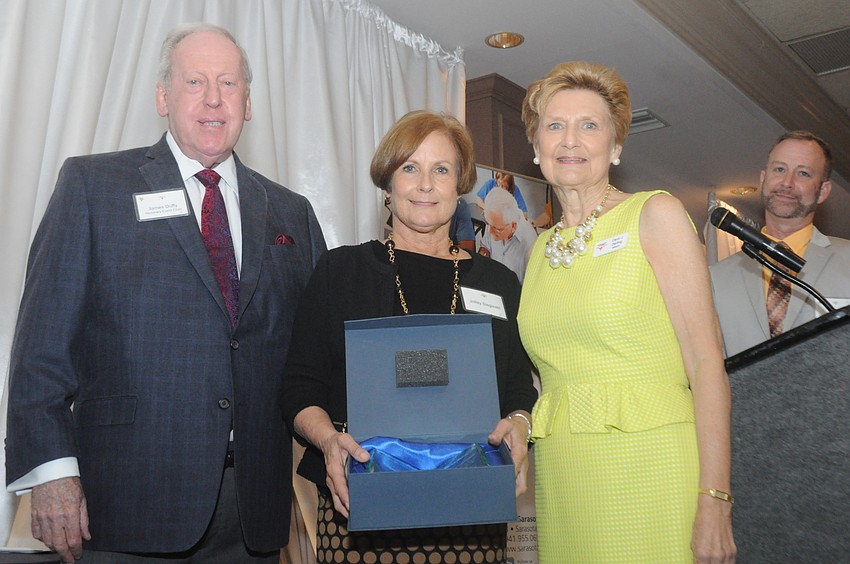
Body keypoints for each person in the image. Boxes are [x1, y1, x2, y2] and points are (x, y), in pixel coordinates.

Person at [5, 23, 325, 563]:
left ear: (247, 103)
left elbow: (315, 352)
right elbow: (41, 345)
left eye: (229, 83)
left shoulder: (292, 212)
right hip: (124, 506)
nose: (213, 99)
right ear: (163, 96)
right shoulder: (93, 186)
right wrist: (53, 472)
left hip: (253, 514)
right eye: (194, 81)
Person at [282, 110, 537, 564]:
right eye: (410, 168)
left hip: (472, 510)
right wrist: (326, 440)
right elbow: (299, 387)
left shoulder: (497, 282)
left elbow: (519, 385)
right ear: (387, 185)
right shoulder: (341, 273)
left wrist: (519, 424)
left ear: (460, 186)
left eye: (441, 170)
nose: (425, 184)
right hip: (361, 507)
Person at [516, 61, 736, 563]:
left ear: (615, 147)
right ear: (536, 147)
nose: (570, 139)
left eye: (589, 126)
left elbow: (707, 365)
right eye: (555, 125)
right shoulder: (540, 249)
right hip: (565, 483)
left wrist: (716, 499)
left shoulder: (653, 215)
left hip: (652, 472)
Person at [710, 130, 850, 357]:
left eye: (803, 173)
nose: (787, 182)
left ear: (823, 191)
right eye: (779, 169)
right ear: (763, 179)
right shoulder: (716, 278)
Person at [478, 187, 537, 283]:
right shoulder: (494, 222)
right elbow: (485, 248)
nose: (489, 231)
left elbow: (530, 286)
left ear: (513, 226)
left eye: (497, 229)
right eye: (487, 223)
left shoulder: (530, 243)